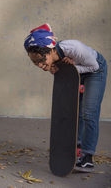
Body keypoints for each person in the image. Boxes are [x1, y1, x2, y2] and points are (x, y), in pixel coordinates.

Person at [24, 24, 107, 171]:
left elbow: (93, 66)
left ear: (50, 51)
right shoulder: (51, 58)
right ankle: (77, 147)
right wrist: (59, 69)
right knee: (76, 111)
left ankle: (87, 158)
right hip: (78, 71)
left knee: (89, 113)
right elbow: (58, 68)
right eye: (35, 62)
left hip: (95, 70)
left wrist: (71, 68)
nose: (40, 65)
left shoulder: (73, 48)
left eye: (42, 60)